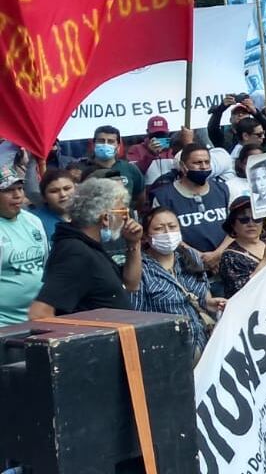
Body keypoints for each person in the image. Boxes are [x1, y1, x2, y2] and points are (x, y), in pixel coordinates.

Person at [28, 178, 141, 319]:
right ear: (106, 218)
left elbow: (131, 285)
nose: (126, 218)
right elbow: (39, 314)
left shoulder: (90, 246)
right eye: (122, 211)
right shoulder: (75, 252)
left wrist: (133, 243)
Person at [130, 206, 226, 358]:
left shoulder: (189, 258)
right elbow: (137, 316)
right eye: (159, 228)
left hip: (205, 344)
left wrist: (209, 303)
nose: (168, 233)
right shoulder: (140, 269)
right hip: (171, 354)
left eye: (173, 227)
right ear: (146, 236)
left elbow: (203, 294)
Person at [149, 143, 231, 271]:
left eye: (207, 162)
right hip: (187, 268)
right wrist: (198, 256)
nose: (203, 167)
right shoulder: (163, 197)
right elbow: (164, 234)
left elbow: (236, 227)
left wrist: (217, 254)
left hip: (225, 264)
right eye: (197, 163)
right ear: (183, 166)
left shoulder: (223, 189)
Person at [0, 165, 48, 324]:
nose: (17, 195)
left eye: (20, 188)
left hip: (39, 317)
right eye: (8, 190)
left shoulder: (33, 221)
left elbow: (45, 264)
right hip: (4, 324)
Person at [30, 168, 75, 242]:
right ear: (44, 197)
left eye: (67, 189)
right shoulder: (34, 221)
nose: (63, 194)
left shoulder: (88, 215)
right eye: (54, 191)